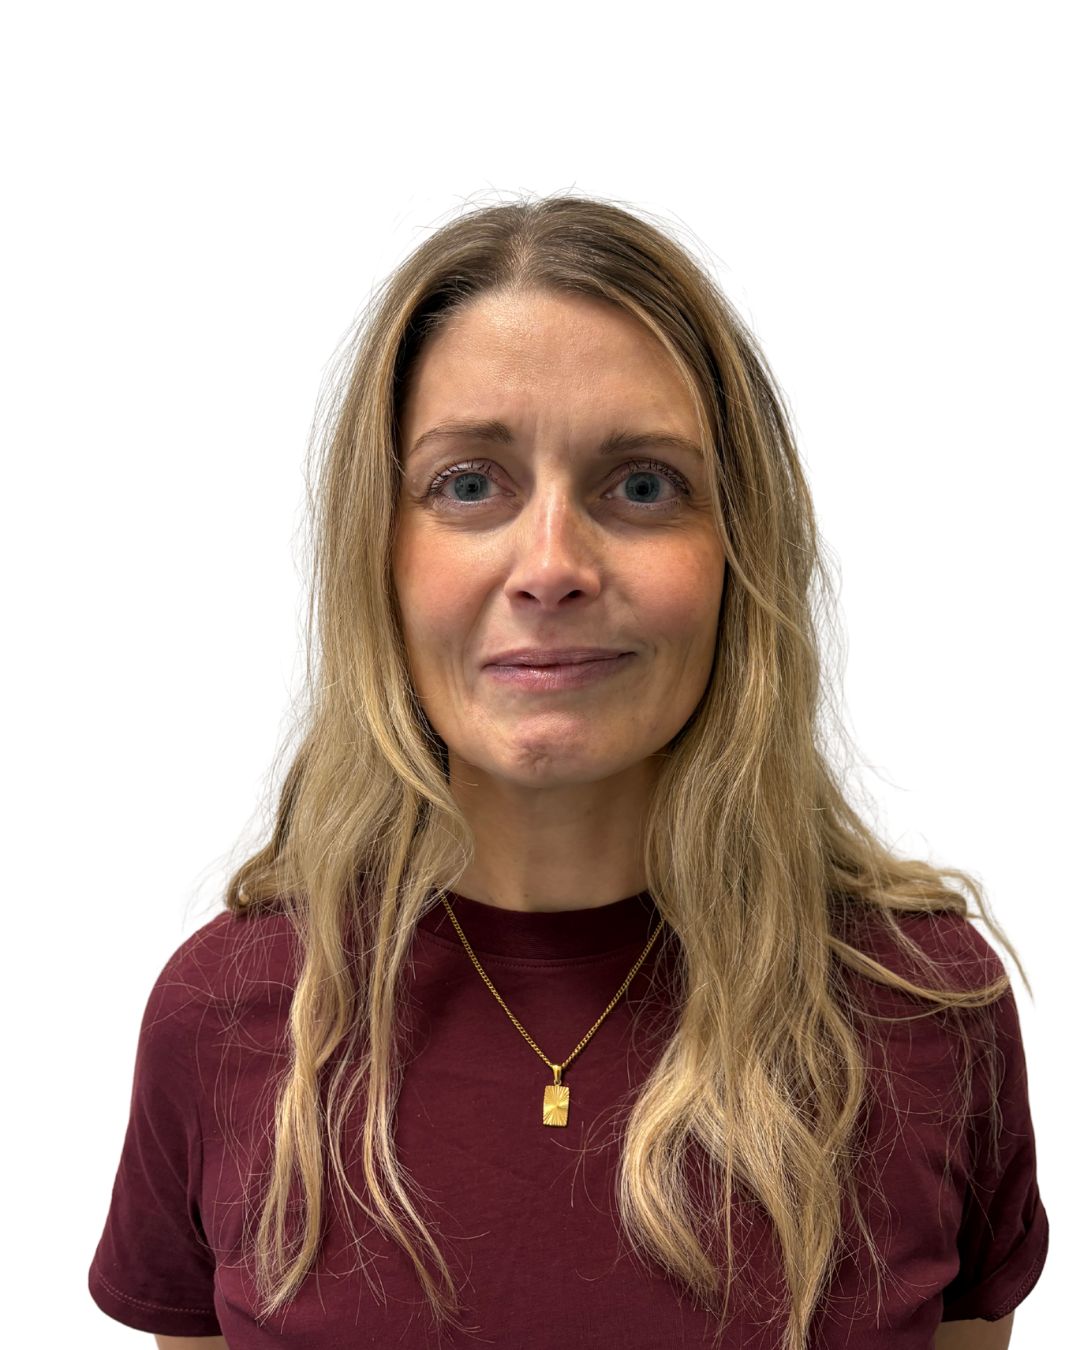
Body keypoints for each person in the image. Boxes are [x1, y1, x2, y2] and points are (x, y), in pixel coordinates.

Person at [88, 193, 1048, 1350]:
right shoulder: (231, 1013)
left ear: (741, 551)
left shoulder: (922, 1003)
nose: (549, 567)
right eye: (469, 484)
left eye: (641, 484)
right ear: (378, 555)